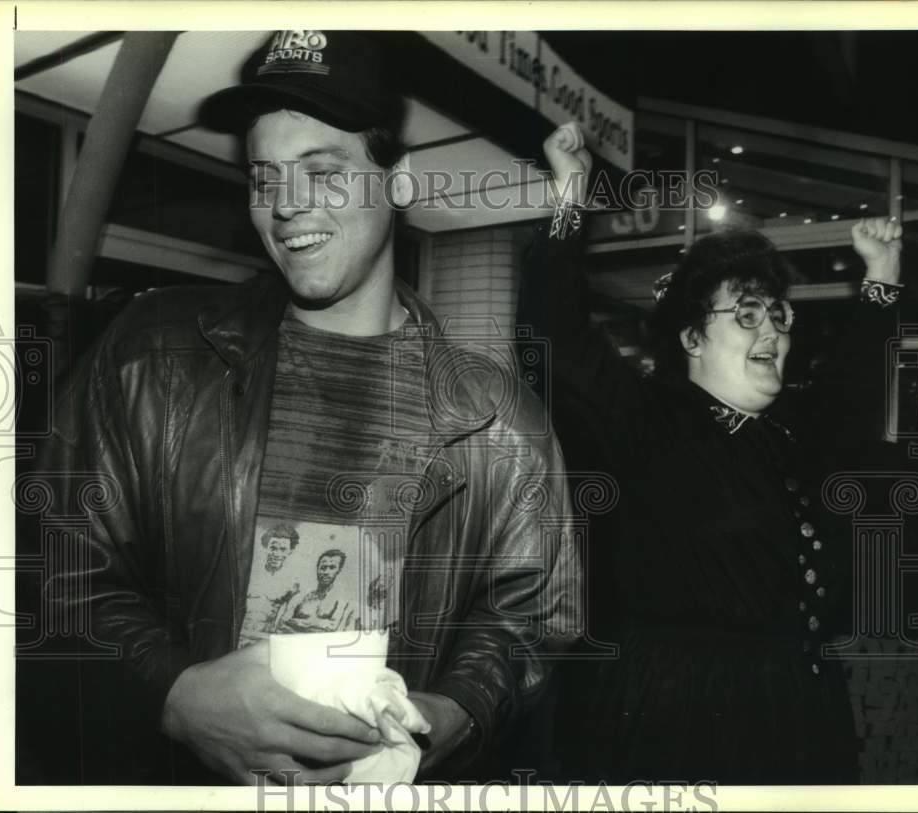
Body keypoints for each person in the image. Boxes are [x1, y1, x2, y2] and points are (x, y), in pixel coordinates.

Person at [44, 30, 579, 786]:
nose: (286, 207)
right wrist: (172, 690)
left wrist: (455, 711)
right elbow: (62, 565)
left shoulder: (500, 423)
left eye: (322, 172)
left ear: (396, 185)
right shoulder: (150, 355)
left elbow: (527, 619)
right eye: (266, 177)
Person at [518, 122, 906, 784]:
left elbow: (853, 387)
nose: (773, 331)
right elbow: (554, 334)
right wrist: (569, 198)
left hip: (793, 711)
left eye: (780, 316)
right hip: (679, 718)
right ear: (694, 338)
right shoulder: (646, 423)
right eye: (748, 315)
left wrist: (882, 277)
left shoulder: (791, 434)